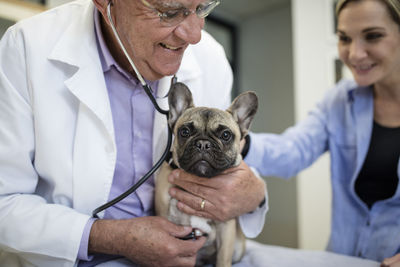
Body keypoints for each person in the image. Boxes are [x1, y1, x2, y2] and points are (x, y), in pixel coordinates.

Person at [0, 0, 267, 266]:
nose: (194, 35)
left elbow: (225, 153)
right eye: (169, 12)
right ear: (106, 3)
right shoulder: (26, 46)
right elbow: (5, 204)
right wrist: (114, 237)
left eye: (202, 9)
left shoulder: (211, 57)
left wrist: (255, 195)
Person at [242, 0, 400, 266]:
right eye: (344, 39)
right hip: (342, 258)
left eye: (373, 36)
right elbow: (293, 150)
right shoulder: (339, 101)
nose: (355, 54)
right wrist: (238, 142)